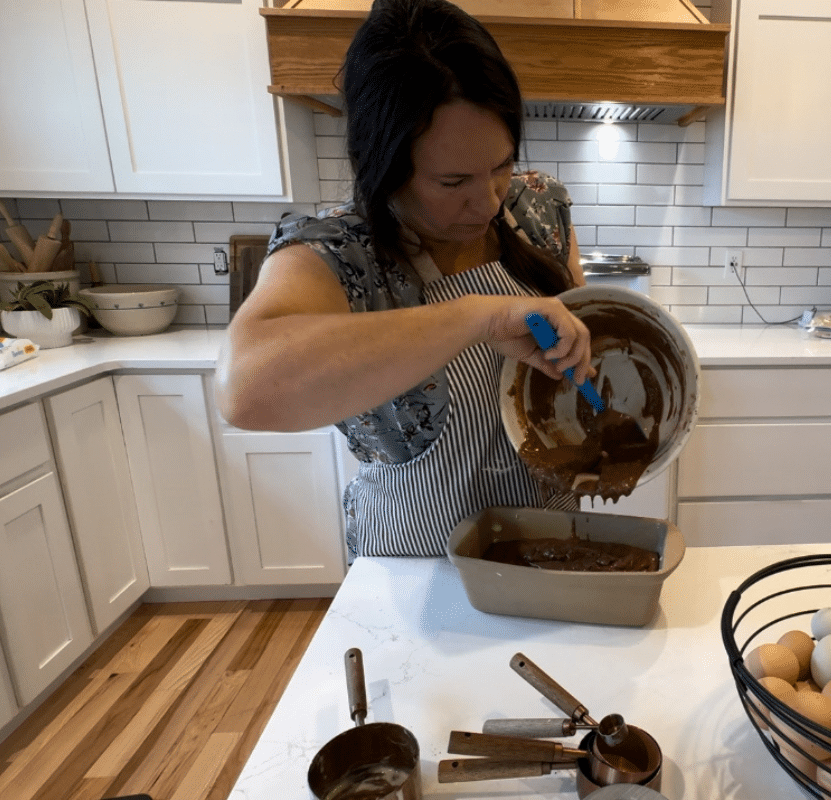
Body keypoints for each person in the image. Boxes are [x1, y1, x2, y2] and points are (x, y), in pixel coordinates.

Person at [215, 0, 595, 560]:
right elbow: (243, 390)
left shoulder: (539, 208)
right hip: (414, 574)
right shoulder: (338, 251)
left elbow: (582, 348)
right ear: (384, 164)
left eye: (501, 165)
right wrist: (479, 316)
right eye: (452, 180)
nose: (488, 202)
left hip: (549, 549)